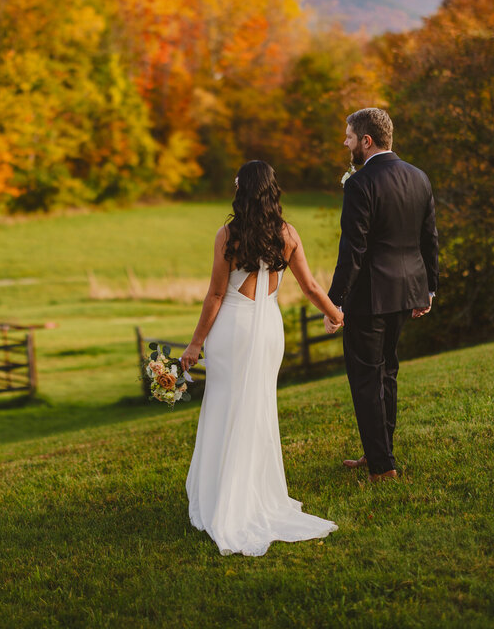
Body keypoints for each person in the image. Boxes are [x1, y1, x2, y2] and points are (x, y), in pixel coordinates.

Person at [179, 160, 343, 556]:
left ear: (242, 190)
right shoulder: (287, 234)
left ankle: (224, 496)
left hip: (232, 329)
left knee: (225, 407)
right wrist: (335, 313)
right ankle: (254, 493)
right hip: (268, 329)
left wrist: (195, 344)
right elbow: (311, 286)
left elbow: (216, 295)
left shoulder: (228, 235)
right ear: (271, 191)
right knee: (257, 408)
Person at [326, 108, 438, 482]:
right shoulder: (419, 177)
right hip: (406, 293)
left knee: (365, 378)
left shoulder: (359, 184)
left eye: (349, 136)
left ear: (366, 141)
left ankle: (381, 466)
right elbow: (429, 240)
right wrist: (429, 288)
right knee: (386, 373)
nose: (346, 142)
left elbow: (353, 251)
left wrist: (334, 301)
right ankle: (380, 452)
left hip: (370, 298)